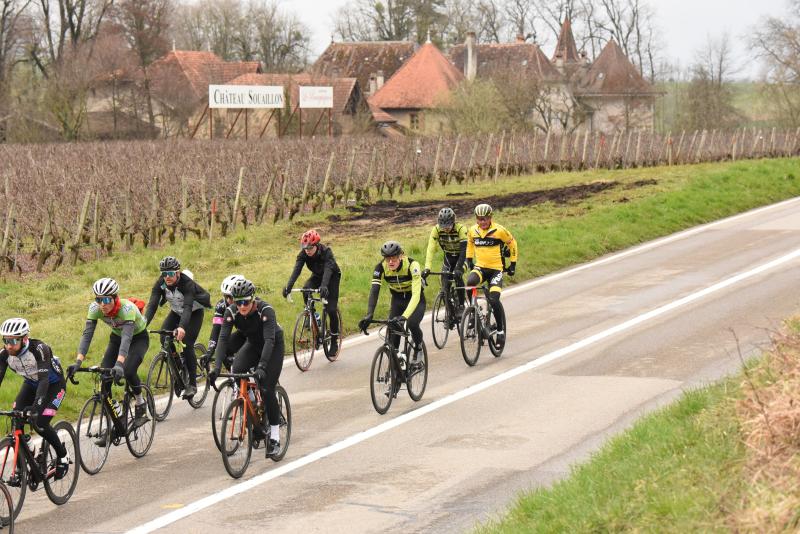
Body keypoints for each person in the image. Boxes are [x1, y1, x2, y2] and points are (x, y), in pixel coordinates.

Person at [209, 278, 284, 456]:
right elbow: (223, 340)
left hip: (272, 346)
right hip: (252, 344)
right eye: (238, 302)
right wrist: (217, 367)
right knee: (236, 371)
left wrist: (262, 367)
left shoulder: (265, 310)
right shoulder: (231, 312)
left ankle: (274, 436)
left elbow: (269, 340)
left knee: (266, 388)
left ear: (253, 300)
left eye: (246, 302)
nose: (242, 306)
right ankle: (250, 404)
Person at [68, 278, 150, 437]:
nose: (102, 304)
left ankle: (140, 403)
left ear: (115, 297)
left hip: (137, 338)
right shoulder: (95, 308)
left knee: (129, 370)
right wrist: (78, 361)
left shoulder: (127, 309)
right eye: (98, 299)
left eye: (106, 300)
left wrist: (119, 364)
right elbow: (87, 335)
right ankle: (117, 416)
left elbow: (127, 339)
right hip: (116, 338)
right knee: (104, 378)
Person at [0, 318, 69, 479]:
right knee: (16, 416)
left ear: (24, 339)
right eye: (6, 340)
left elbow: (44, 380)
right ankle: (27, 451)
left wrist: (36, 407)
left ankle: (63, 456)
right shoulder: (4, 354)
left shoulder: (39, 349)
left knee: (40, 422)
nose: (9, 345)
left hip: (54, 385)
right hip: (31, 383)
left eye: (13, 340)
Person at [143, 256, 211, 399]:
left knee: (186, 343)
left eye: (171, 273)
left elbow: (187, 308)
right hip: (176, 312)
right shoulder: (160, 283)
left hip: (193, 313)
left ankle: (192, 384)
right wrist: (142, 325)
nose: (167, 277)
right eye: (164, 273)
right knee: (164, 337)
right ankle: (179, 368)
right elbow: (152, 305)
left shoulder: (187, 284)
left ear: (178, 273)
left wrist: (181, 328)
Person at [357, 241, 425, 362]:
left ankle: (418, 347)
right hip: (397, 300)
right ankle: (397, 363)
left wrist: (404, 316)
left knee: (412, 324)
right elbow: (374, 291)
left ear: (401, 256)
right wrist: (369, 314)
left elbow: (416, 295)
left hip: (415, 299)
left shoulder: (412, 265)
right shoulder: (380, 267)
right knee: (393, 330)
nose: (390, 262)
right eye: (387, 258)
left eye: (393, 258)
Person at [281, 230, 342, 354]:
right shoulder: (303, 254)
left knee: (330, 309)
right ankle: (312, 315)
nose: (307, 250)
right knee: (306, 289)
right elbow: (296, 270)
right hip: (317, 276)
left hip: (332, 277)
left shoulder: (326, 252)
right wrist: (288, 286)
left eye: (309, 248)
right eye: (304, 248)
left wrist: (324, 286)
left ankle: (334, 341)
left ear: (316, 245)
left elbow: (328, 270)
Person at [465, 203, 518, 346]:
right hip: (480, 267)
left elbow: (512, 244)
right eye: (480, 219)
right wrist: (469, 259)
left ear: (490, 218)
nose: (482, 222)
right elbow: (470, 243)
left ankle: (500, 331)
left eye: (485, 219)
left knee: (494, 300)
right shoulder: (472, 231)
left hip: (496, 270)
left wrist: (512, 264)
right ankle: (472, 312)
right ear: (476, 219)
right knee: (470, 283)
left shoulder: (499, 230)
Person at [422, 207, 467, 313]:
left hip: (462, 257)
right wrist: (427, 267)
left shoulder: (461, 229)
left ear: (454, 221)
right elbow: (430, 249)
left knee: (458, 277)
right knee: (445, 283)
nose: (446, 229)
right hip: (449, 256)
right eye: (443, 226)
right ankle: (449, 311)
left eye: (448, 225)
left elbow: (465, 250)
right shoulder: (436, 230)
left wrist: (459, 268)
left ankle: (461, 305)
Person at [204, 274, 247, 374]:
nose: (228, 300)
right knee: (222, 349)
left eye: (231, 297)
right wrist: (210, 350)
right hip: (242, 333)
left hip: (255, 334)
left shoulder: (248, 303)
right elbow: (216, 329)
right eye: (226, 296)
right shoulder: (221, 306)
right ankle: (238, 380)